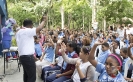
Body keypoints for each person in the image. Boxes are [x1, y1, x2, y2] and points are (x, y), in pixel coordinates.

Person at [16, 16, 47, 82]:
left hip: (23, 57)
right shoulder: (27, 31)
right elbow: (40, 28)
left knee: (27, 75)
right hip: (28, 58)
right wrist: (44, 20)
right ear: (30, 25)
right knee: (32, 77)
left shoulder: (19, 32)